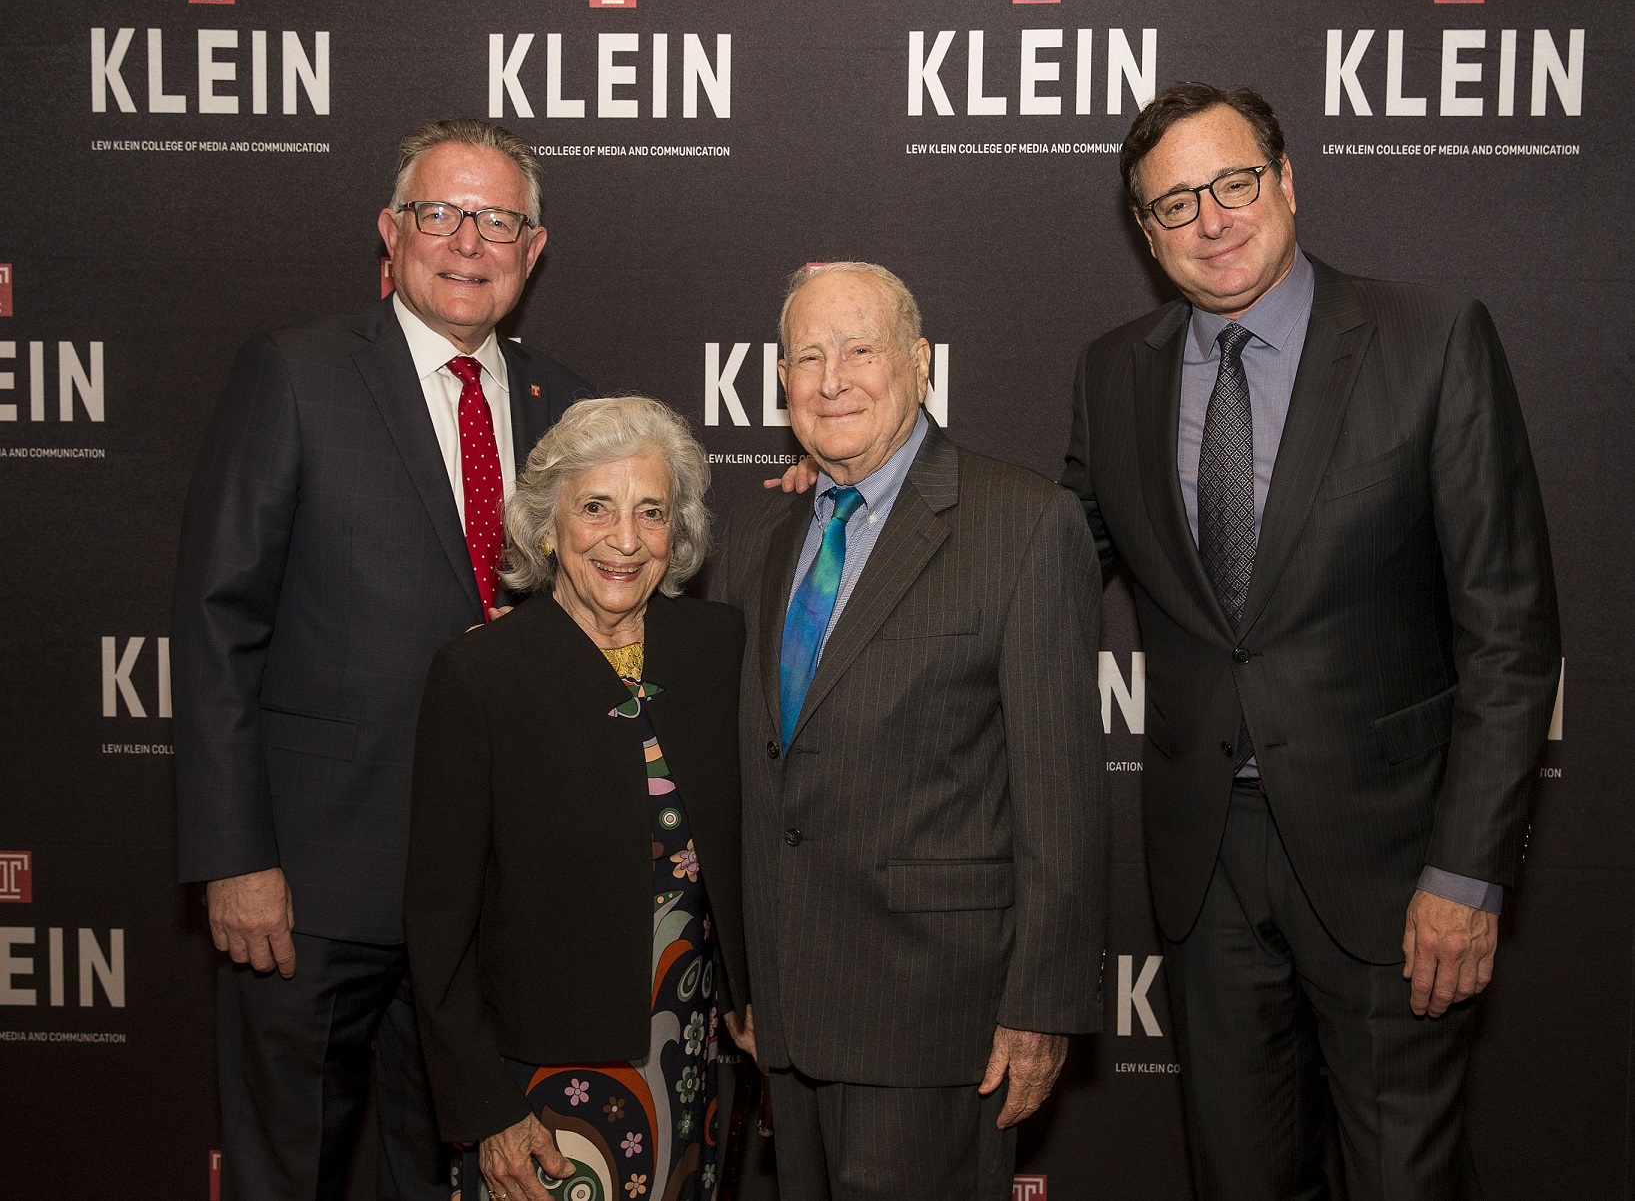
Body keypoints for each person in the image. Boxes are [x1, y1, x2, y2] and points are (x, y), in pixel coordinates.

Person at [1061, 82, 1560, 1198]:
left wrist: (1467, 873)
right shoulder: (1114, 371)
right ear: (1148, 235)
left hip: (1395, 867)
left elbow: (1512, 633)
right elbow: (1050, 551)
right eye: (1176, 202)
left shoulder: (1430, 337)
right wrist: (866, 484)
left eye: (1234, 182)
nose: (1213, 219)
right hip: (1206, 867)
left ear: (1286, 182)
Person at [171, 118, 592, 1198]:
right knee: (289, 1169)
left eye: (497, 219)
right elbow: (220, 623)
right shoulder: (295, 374)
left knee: (453, 1176)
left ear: (533, 248)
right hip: (309, 888)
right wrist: (235, 854)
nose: (467, 241)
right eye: (438, 213)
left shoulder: (565, 409)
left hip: (481, 905)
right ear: (390, 234)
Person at [710, 262, 1106, 1201]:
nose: (831, 378)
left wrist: (1040, 1008)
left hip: (938, 1020)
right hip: (785, 1016)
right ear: (779, 383)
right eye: (806, 356)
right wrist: (747, 977)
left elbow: (1060, 794)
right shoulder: (756, 536)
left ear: (919, 365)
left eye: (858, 349)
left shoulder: (1023, 525)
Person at [404, 396, 749, 1201]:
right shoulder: (481, 676)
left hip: (691, 1061)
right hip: (541, 1089)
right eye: (595, 507)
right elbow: (436, 925)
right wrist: (485, 1109)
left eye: (651, 512)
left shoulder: (717, 648)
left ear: (679, 532)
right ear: (547, 525)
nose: (624, 540)